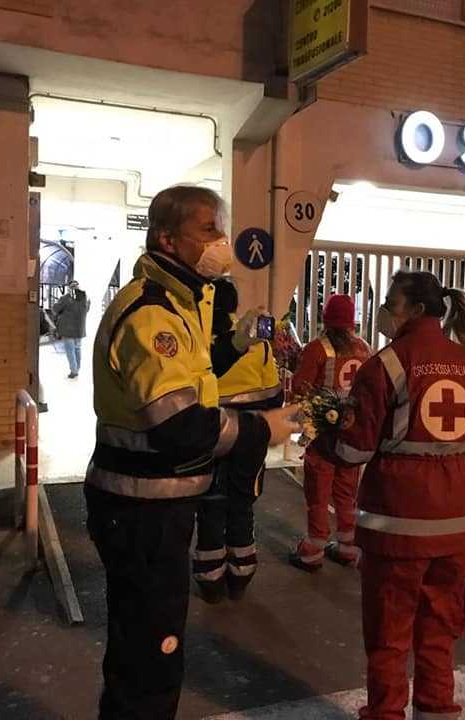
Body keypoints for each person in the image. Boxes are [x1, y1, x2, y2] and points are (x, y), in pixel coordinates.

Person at [84, 185, 299, 720]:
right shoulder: (152, 314)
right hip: (141, 507)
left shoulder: (181, 302)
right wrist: (261, 430)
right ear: (166, 238)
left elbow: (194, 379)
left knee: (145, 647)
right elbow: (180, 425)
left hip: (157, 504)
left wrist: (237, 343)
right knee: (150, 660)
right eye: (208, 230)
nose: (221, 241)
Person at [321, 271, 465, 720]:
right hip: (455, 531)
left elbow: (354, 449)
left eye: (391, 303)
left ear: (415, 310)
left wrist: (326, 433)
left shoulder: (388, 365)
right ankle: (436, 711)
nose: (383, 311)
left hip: (397, 532)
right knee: (439, 635)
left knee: (389, 639)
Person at [192, 277, 283, 604]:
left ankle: (210, 578)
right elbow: (274, 396)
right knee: (242, 502)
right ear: (235, 307)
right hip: (251, 436)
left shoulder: (197, 342)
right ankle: (242, 573)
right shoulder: (259, 343)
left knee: (210, 504)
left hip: (210, 434)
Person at [289, 294, 371, 571]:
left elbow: (300, 387)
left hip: (322, 436)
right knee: (347, 492)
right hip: (351, 435)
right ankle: (348, 546)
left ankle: (313, 549)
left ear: (326, 319)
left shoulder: (316, 349)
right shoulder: (365, 349)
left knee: (318, 492)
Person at [51, 279, 90, 378]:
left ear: (69, 288)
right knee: (77, 349)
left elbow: (55, 309)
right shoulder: (85, 298)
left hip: (67, 330)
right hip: (79, 329)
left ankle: (74, 371)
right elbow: (86, 310)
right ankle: (77, 368)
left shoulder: (66, 298)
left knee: (70, 351)